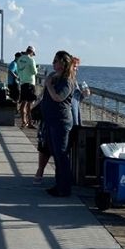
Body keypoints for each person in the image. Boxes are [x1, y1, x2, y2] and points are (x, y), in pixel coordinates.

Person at [34, 56, 89, 183]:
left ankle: (62, 180)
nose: (76, 70)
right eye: (74, 67)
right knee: (46, 146)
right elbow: (56, 97)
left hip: (68, 118)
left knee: (61, 149)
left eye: (77, 68)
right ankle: (43, 172)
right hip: (56, 117)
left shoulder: (72, 81)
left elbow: (74, 100)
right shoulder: (59, 78)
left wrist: (84, 96)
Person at [38, 50, 77, 197]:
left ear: (63, 63)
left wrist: (48, 84)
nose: (54, 64)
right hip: (51, 120)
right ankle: (58, 184)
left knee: (61, 154)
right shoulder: (54, 77)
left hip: (61, 121)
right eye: (53, 61)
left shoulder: (67, 81)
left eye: (57, 61)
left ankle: (64, 187)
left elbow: (58, 97)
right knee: (55, 153)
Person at [15, 46, 38, 129]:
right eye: (33, 54)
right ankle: (30, 123)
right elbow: (34, 72)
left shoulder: (19, 59)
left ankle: (23, 121)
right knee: (29, 105)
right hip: (30, 83)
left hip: (23, 83)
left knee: (23, 103)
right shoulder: (31, 60)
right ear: (31, 52)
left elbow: (17, 71)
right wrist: (36, 68)